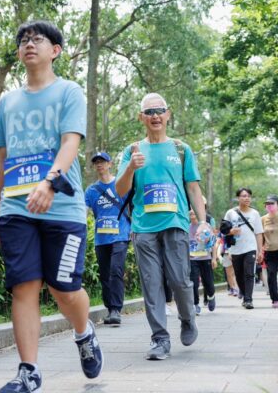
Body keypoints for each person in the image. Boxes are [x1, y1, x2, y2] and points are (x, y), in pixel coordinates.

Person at [0, 21, 102, 392]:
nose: (29, 44)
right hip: (16, 209)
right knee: (23, 285)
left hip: (63, 207)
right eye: (24, 39)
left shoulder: (69, 92)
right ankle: (29, 371)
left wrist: (51, 182)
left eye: (38, 39)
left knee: (63, 288)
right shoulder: (7, 101)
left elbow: (70, 143)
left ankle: (84, 333)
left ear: (55, 50)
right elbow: (1, 159)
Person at [116, 92, 209, 360]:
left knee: (180, 279)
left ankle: (188, 317)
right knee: (151, 283)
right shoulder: (131, 150)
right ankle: (160, 339)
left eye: (160, 111)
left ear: (168, 115)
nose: (155, 116)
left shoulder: (181, 149)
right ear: (141, 117)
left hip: (176, 223)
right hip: (144, 227)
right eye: (149, 112)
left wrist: (202, 222)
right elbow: (121, 190)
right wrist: (131, 168)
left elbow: (192, 186)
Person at [84, 151, 131, 325]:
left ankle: (115, 310)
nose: (99, 164)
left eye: (103, 161)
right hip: (101, 238)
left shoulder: (121, 183)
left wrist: (136, 228)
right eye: (96, 162)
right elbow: (85, 212)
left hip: (120, 234)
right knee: (104, 274)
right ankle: (109, 307)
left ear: (110, 164)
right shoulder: (91, 191)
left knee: (115, 270)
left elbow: (131, 206)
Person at [222, 188, 263, 310]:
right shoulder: (230, 213)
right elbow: (223, 231)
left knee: (249, 274)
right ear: (238, 198)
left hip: (250, 248)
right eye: (244, 196)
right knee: (239, 275)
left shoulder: (255, 213)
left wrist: (259, 250)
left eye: (249, 196)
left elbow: (259, 233)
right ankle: (244, 294)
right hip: (235, 249)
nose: (247, 198)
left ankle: (248, 300)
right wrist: (231, 231)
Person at [188, 210, 217, 315]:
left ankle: (211, 296)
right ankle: (195, 304)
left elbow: (213, 243)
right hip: (192, 259)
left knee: (208, 282)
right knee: (193, 283)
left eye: (194, 213)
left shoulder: (206, 226)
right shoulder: (186, 227)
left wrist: (214, 258)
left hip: (205, 258)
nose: (192, 215)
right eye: (190, 214)